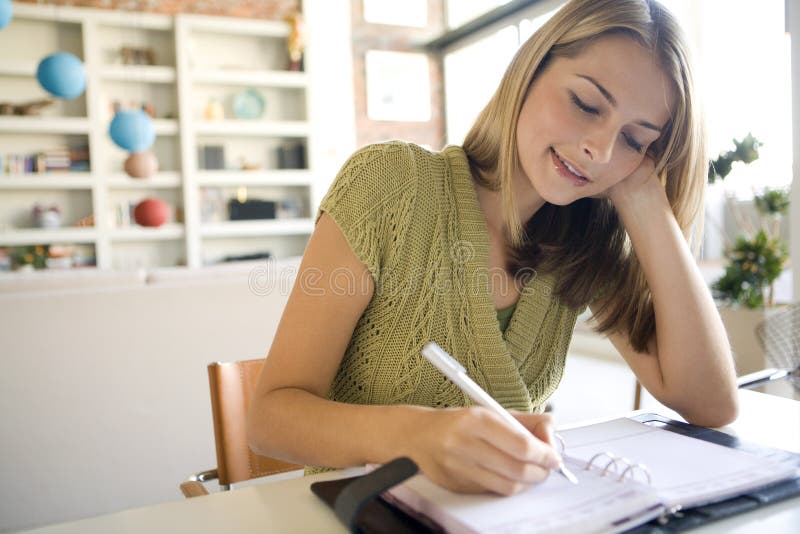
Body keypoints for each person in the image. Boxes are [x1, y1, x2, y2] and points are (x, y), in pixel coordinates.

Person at [247, 0, 738, 496]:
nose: (602, 149)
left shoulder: (585, 244)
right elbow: (270, 419)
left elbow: (711, 404)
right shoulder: (390, 185)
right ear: (530, 68)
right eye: (587, 105)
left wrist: (644, 198)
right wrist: (413, 435)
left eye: (635, 140)